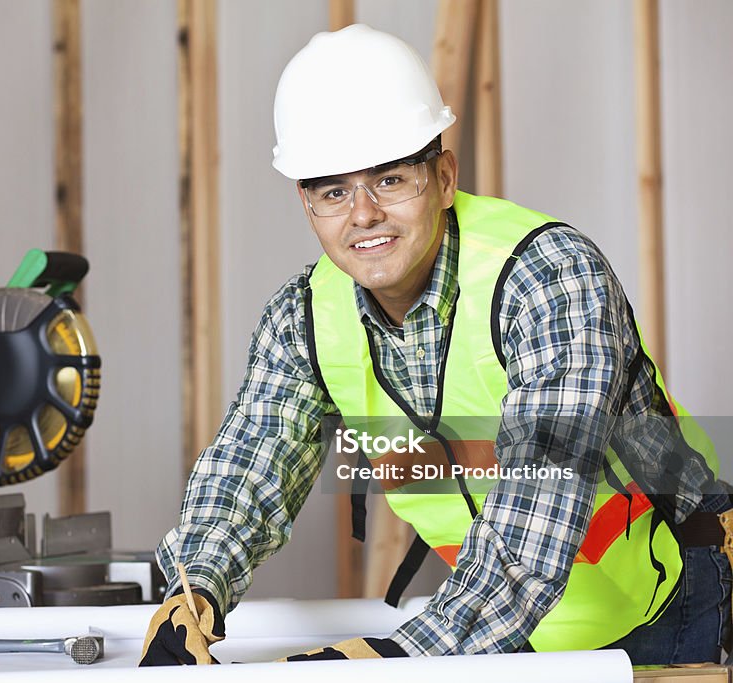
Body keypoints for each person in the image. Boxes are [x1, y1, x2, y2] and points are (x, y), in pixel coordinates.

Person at [139, 24, 731, 667]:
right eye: (334, 190)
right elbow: (251, 464)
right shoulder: (303, 320)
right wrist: (193, 589)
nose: (362, 213)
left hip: (660, 595)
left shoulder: (548, 277)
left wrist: (393, 660)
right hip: (488, 624)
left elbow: (539, 507)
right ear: (307, 206)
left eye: (390, 179)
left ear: (444, 177)